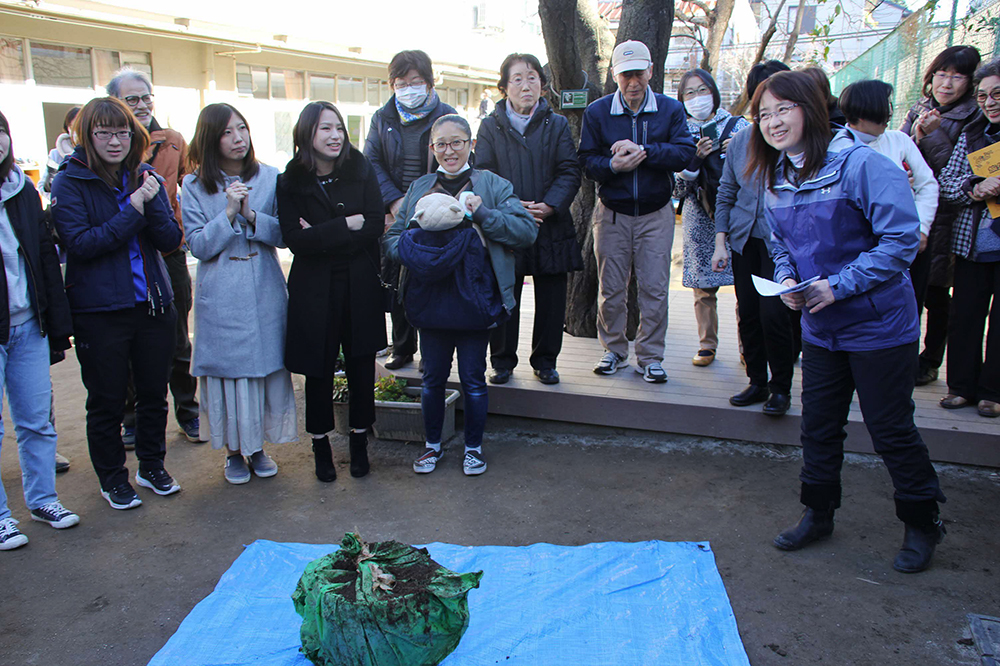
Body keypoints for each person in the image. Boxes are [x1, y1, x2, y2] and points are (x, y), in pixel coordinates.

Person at [747, 71, 946, 573]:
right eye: (764, 114)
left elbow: (901, 241)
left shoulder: (863, 164)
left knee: (890, 429)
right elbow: (780, 244)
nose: (772, 122)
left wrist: (838, 285)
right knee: (818, 427)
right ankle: (818, 513)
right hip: (820, 327)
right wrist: (790, 282)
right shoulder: (777, 176)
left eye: (782, 110)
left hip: (880, 327)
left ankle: (923, 522)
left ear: (811, 109)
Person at [384, 114, 536, 476]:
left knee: (472, 377)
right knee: (432, 378)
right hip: (431, 303)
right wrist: (417, 242)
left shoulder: (493, 185)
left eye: (457, 142)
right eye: (441, 144)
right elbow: (392, 239)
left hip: (476, 301)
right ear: (432, 148)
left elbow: (525, 231)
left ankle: (473, 448)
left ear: (472, 145)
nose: (449, 150)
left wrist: (482, 213)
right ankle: (432, 446)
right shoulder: (421, 187)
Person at [51, 97, 183, 510]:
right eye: (104, 132)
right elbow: (83, 244)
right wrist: (135, 207)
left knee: (153, 393)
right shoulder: (69, 182)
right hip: (100, 311)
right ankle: (112, 478)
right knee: (107, 399)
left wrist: (153, 199)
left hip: (152, 304)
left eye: (122, 132)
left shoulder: (143, 175)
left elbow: (168, 240)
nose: (114, 141)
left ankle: (151, 465)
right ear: (87, 136)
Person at [182, 104, 298, 484]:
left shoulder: (269, 177)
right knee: (229, 375)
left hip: (264, 291)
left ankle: (259, 448)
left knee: (263, 372)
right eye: (228, 132)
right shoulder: (194, 185)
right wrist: (228, 212)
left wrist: (251, 216)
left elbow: (284, 234)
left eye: (243, 129)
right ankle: (234, 452)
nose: (239, 139)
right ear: (210, 139)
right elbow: (197, 245)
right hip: (222, 298)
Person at [278, 102, 386, 483]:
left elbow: (374, 225)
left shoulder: (361, 168)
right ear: (307, 134)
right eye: (325, 128)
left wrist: (321, 232)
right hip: (314, 289)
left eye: (338, 127)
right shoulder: (290, 180)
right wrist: (345, 226)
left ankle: (359, 443)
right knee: (318, 368)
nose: (335, 135)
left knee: (360, 365)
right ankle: (320, 446)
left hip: (358, 282)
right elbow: (294, 240)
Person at [578, 40, 696, 382]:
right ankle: (613, 349)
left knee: (655, 288)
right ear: (615, 75)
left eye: (639, 73)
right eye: (626, 74)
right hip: (611, 213)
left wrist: (642, 151)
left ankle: (650, 356)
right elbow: (586, 161)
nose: (633, 82)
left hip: (656, 212)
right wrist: (613, 164)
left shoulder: (670, 110)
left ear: (651, 71)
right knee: (611, 288)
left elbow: (685, 153)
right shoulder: (598, 112)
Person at [107, 68, 203, 445]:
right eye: (132, 99)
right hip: (124, 253)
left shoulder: (174, 141)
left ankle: (188, 411)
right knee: (129, 339)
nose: (142, 105)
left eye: (146, 97)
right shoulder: (107, 147)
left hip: (169, 252)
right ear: (115, 103)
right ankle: (132, 417)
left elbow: (190, 185)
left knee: (178, 336)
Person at [476, 53, 582, 386]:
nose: (526, 85)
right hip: (508, 223)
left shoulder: (558, 123)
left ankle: (546, 360)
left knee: (551, 297)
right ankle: (503, 361)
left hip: (549, 222)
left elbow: (569, 169)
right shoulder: (490, 126)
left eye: (533, 77)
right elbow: (484, 172)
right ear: (505, 86)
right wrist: (509, 206)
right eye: (518, 78)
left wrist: (550, 205)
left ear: (543, 85)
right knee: (506, 293)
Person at [0, 111, 78, 550]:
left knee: (36, 422)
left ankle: (43, 500)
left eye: (0, 132)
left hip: (28, 323)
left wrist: (56, 321)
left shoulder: (22, 190)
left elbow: (46, 257)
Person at [713, 59, 797, 416]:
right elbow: (726, 190)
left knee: (774, 314)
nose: (771, 115)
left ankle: (781, 387)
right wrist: (721, 240)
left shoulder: (795, 136)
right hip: (744, 238)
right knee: (748, 312)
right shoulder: (742, 139)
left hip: (783, 242)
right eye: (763, 103)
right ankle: (757, 381)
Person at [364, 50, 457, 371]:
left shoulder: (445, 114)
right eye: (401, 83)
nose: (409, 89)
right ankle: (402, 346)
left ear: (430, 83)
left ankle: (432, 350)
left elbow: (455, 157)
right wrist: (392, 201)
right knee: (399, 279)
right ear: (392, 85)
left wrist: (433, 201)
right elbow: (371, 162)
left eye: (416, 82)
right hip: (394, 212)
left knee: (432, 281)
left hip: (436, 208)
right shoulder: (382, 118)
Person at [901, 45, 982, 387]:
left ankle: (931, 359)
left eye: (957, 76)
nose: (946, 83)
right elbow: (899, 147)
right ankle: (904, 355)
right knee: (911, 288)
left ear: (970, 82)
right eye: (941, 74)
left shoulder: (975, 115)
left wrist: (931, 135)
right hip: (910, 212)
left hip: (950, 216)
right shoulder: (918, 108)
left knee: (937, 292)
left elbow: (957, 167)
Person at [937, 57, 1000, 418]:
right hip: (971, 247)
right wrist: (975, 187)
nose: (989, 102)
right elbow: (947, 183)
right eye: (983, 95)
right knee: (964, 318)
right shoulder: (972, 133)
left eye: (997, 94)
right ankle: (961, 386)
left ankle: (994, 391)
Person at [674, 68, 748, 369]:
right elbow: (676, 188)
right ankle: (707, 344)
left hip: (737, 216)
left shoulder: (739, 127)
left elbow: (759, 175)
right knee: (703, 287)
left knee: (745, 284)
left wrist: (741, 150)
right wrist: (696, 157)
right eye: (689, 93)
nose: (697, 98)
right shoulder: (678, 132)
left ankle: (749, 345)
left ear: (714, 92)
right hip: (699, 215)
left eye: (702, 90)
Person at [839, 79, 939, 247]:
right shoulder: (836, 149)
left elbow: (927, 184)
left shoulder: (899, 140)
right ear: (862, 114)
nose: (889, 115)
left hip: (903, 238)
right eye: (882, 110)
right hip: (855, 243)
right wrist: (891, 188)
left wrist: (921, 227)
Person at [40, 106, 80, 195]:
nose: (76, 131)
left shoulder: (97, 153)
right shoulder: (56, 154)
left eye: (80, 126)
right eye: (72, 126)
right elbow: (45, 187)